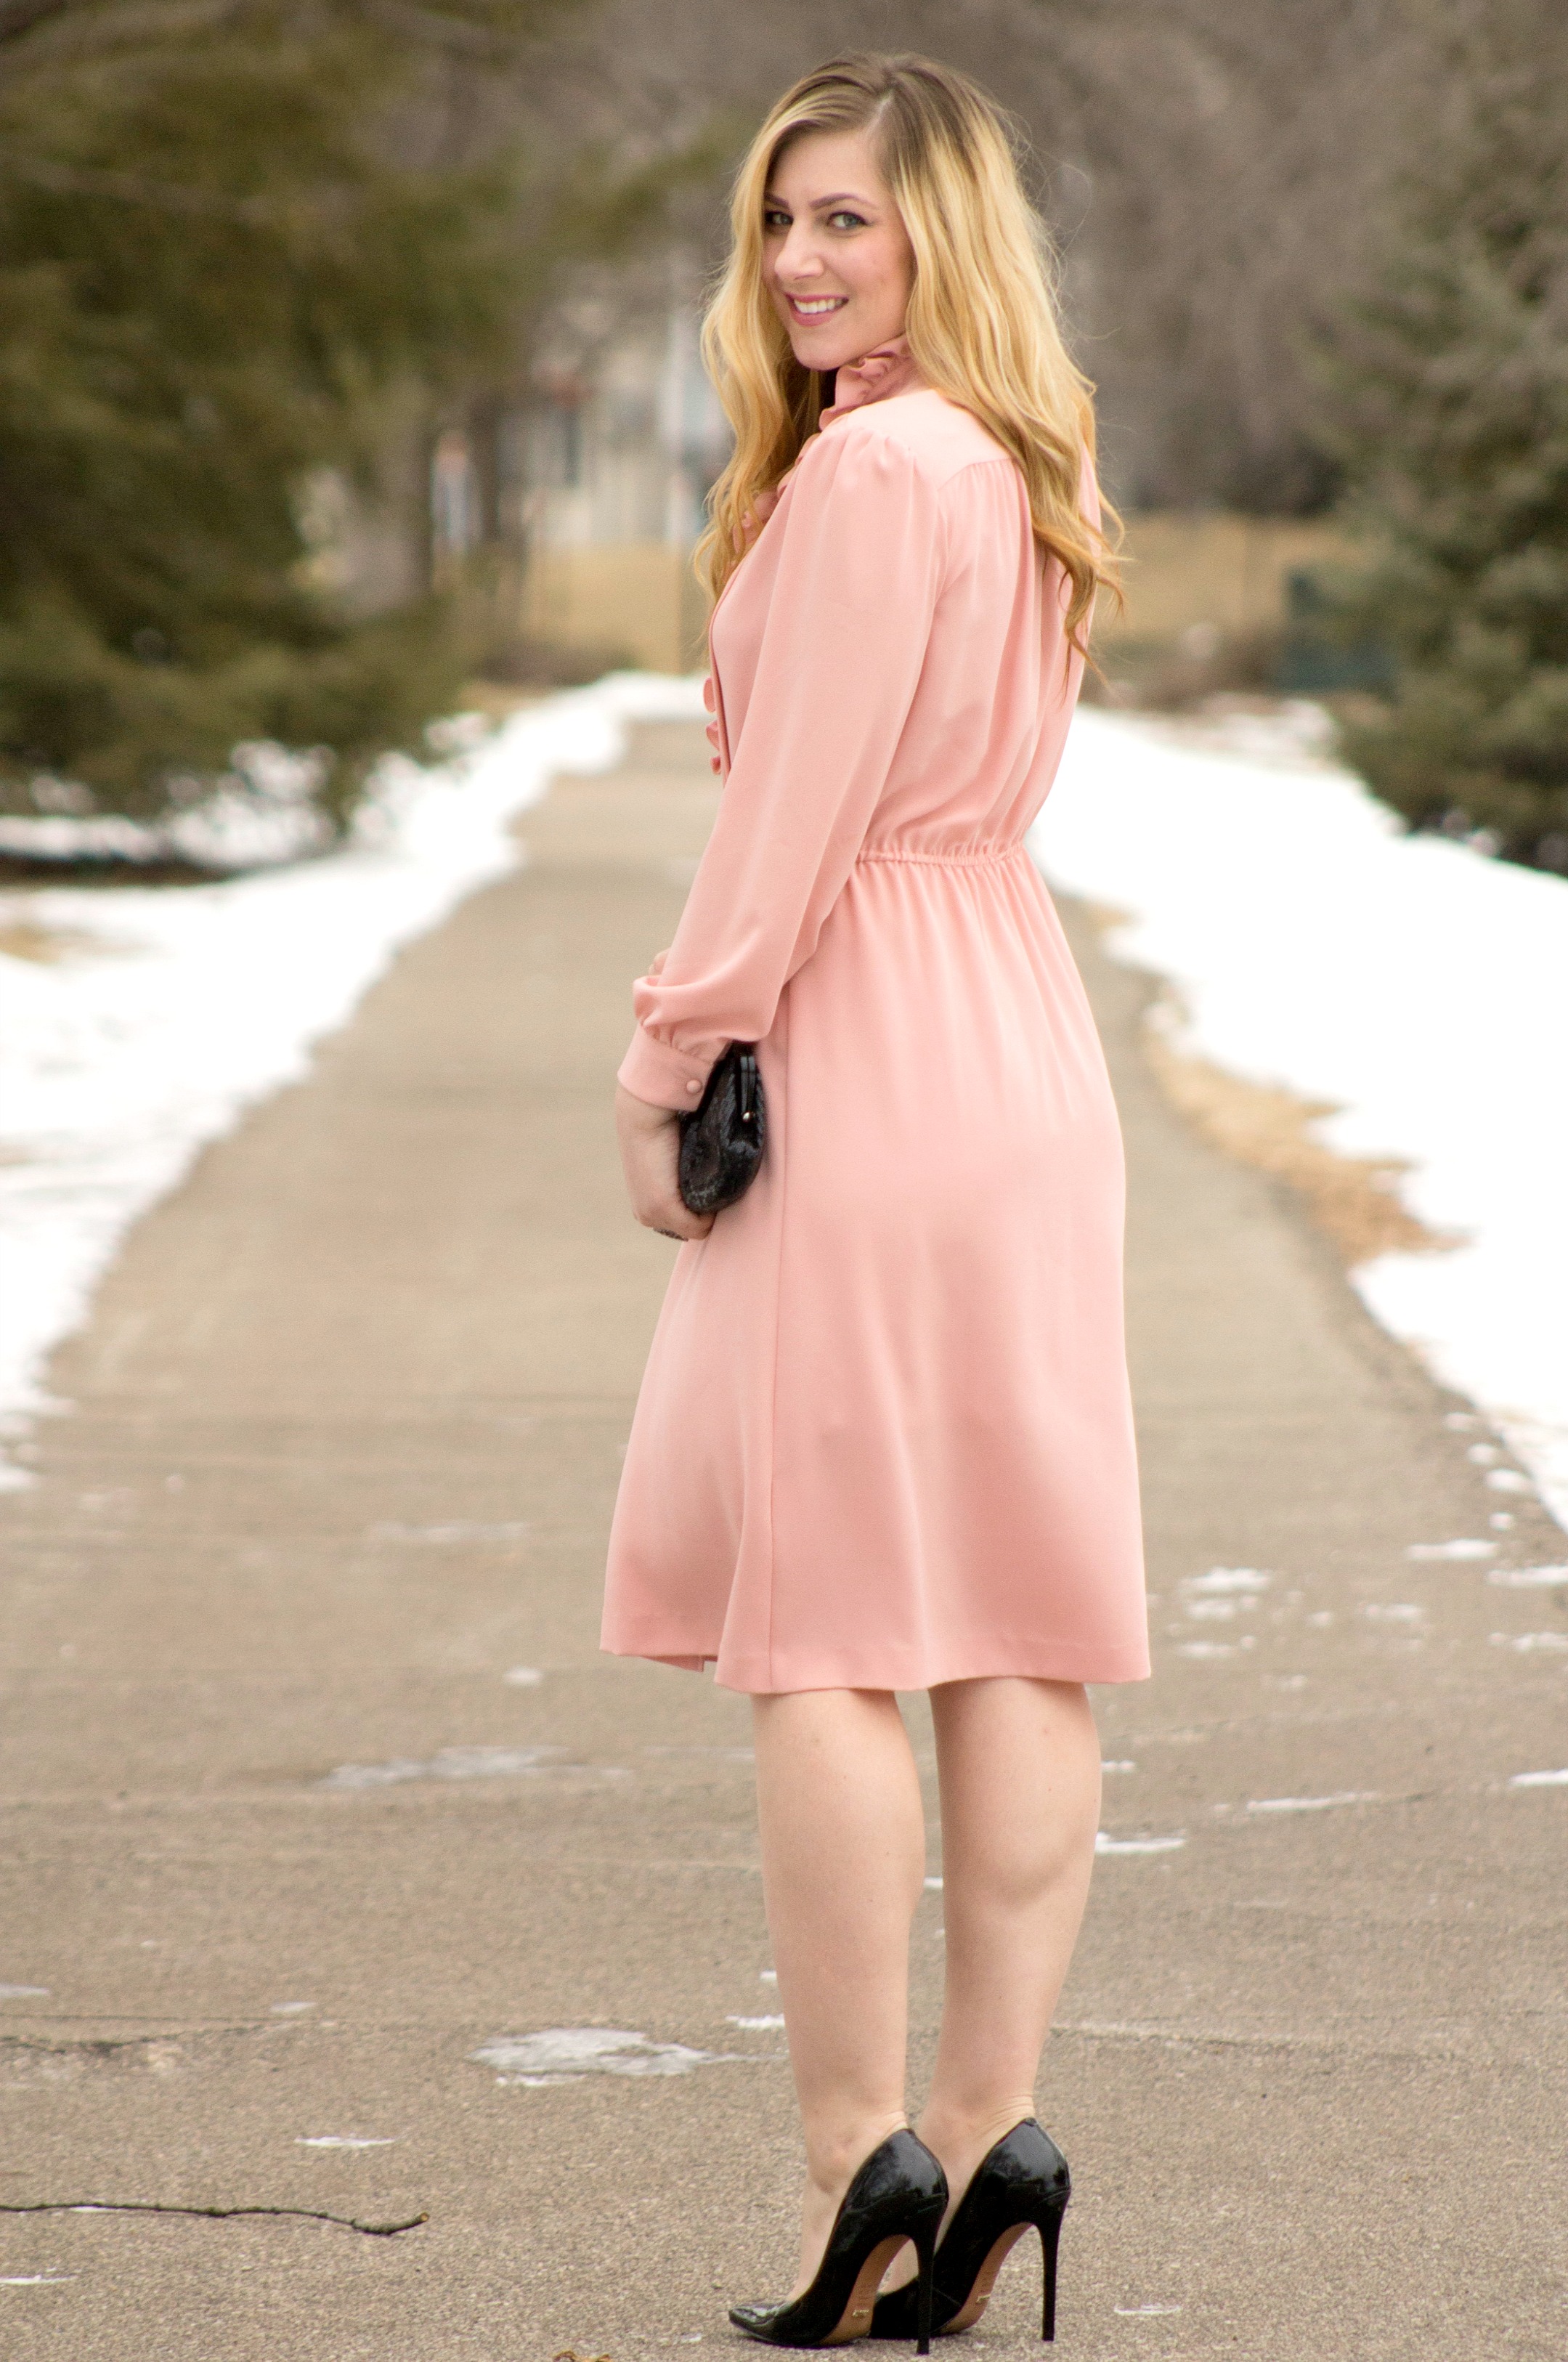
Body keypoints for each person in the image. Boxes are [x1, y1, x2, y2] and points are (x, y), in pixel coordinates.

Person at [604, 49, 1148, 2352]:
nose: (806, 261)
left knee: (827, 1626)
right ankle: (996, 2130)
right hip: (1017, 1037)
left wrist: (671, 1042)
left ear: (945, 233)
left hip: (861, 1043)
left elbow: (793, 818)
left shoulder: (864, 478)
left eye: (851, 219)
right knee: (1015, 1607)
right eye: (781, 224)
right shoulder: (1023, 466)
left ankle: (862, 2169)